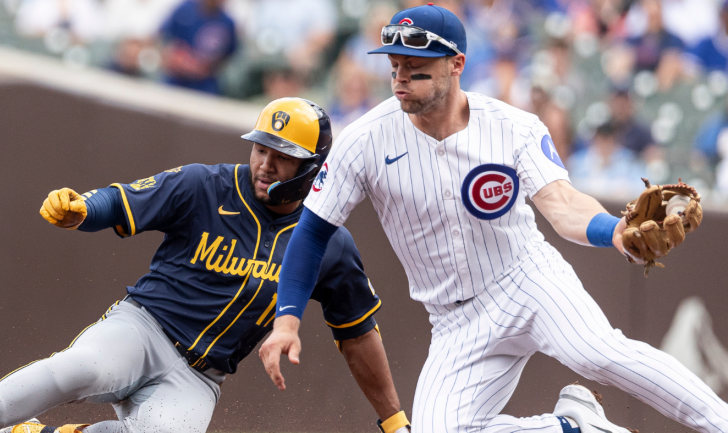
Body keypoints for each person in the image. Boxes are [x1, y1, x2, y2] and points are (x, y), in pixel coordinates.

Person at [259, 5, 728, 433]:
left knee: (598, 352)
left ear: (456, 65)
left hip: (527, 280)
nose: (400, 79)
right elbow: (313, 231)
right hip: (454, 320)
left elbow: (562, 206)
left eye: (416, 70)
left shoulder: (512, 126)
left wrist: (615, 231)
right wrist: (287, 319)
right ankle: (570, 428)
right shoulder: (364, 140)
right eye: (394, 66)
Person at [0, 98, 411, 433]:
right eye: (260, 150)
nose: (265, 165)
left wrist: (392, 419)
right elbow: (122, 201)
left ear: (313, 168)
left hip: (200, 374)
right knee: (80, 368)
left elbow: (358, 334)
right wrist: (84, 210)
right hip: (142, 329)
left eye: (282, 157)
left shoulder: (328, 241)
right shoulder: (206, 184)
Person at [159, 0, 236, 94]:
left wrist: (206, 66)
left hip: (205, 86)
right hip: (174, 81)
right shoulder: (184, 9)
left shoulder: (227, 23)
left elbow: (228, 57)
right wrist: (176, 58)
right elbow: (164, 39)